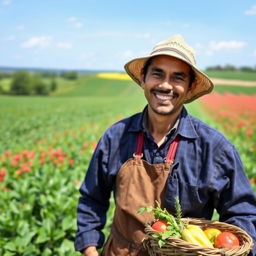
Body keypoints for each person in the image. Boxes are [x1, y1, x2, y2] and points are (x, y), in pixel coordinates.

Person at [74, 35, 256, 256]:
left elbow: (243, 215)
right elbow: (92, 198)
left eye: (178, 78)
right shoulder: (116, 136)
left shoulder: (214, 148)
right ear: (143, 78)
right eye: (158, 73)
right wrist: (90, 249)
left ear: (190, 88)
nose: (165, 85)